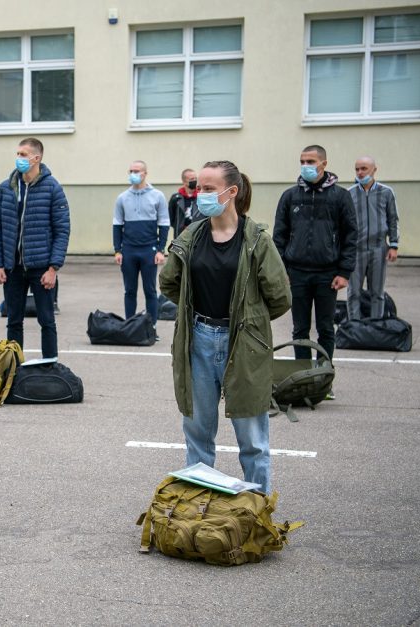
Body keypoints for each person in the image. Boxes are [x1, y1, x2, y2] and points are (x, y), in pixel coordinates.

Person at [160, 160, 291, 493]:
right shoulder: (191, 235)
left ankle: (257, 512)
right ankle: (200, 511)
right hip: (199, 339)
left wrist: (249, 321)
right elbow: (169, 282)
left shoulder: (256, 239)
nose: (199, 195)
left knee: (252, 439)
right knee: (198, 434)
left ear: (231, 192)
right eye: (197, 188)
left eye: (207, 189)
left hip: (243, 343)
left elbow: (279, 296)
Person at [273, 145, 357, 396]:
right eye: (302, 161)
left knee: (326, 329)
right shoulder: (290, 196)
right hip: (296, 273)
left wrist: (344, 271)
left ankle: (324, 380)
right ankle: (303, 379)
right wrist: (282, 270)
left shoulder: (340, 197)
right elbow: (279, 236)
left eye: (310, 160)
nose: (305, 165)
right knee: (299, 330)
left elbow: (351, 235)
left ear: (324, 163)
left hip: (327, 274)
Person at [0, 137, 69, 358]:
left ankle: (50, 367)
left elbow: (62, 229)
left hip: (41, 267)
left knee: (47, 320)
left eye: (23, 155)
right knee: (14, 321)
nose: (19, 159)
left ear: (37, 158)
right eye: (17, 154)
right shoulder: (6, 188)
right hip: (12, 267)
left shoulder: (52, 187)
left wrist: (53, 268)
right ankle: (14, 368)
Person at [113, 160, 169, 328]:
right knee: (129, 291)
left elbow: (164, 223)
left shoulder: (157, 196)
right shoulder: (122, 198)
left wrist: (160, 250)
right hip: (129, 251)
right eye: (130, 171)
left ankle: (151, 327)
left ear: (145, 173)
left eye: (136, 171)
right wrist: (117, 250)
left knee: (150, 291)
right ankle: (129, 325)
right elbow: (117, 224)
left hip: (149, 250)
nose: (133, 174)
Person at [347, 156, 400, 320]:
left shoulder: (386, 192)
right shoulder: (349, 194)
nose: (360, 173)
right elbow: (343, 223)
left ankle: (376, 324)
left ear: (374, 170)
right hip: (356, 250)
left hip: (378, 249)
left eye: (364, 169)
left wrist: (393, 245)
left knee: (377, 291)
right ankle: (354, 325)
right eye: (357, 169)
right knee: (353, 291)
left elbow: (393, 219)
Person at [167, 168, 200, 239]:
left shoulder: (201, 196)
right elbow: (171, 217)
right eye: (191, 179)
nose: (194, 181)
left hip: (198, 234)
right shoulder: (176, 198)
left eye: (195, 178)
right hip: (181, 235)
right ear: (184, 181)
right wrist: (179, 226)